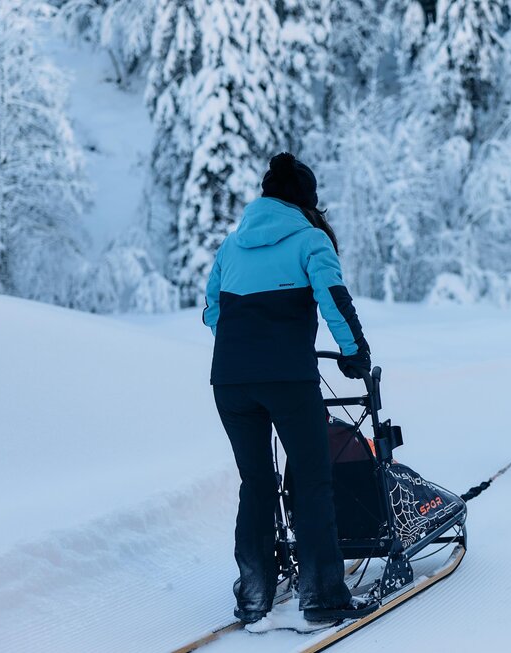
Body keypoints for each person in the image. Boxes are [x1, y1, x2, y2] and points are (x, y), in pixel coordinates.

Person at [203, 152, 376, 624]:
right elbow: (334, 300)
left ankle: (254, 592)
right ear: (305, 201)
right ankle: (323, 597)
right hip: (289, 381)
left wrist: (245, 350)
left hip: (231, 383)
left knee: (255, 482)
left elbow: (211, 308)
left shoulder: (231, 246)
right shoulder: (310, 240)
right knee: (313, 480)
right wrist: (354, 353)